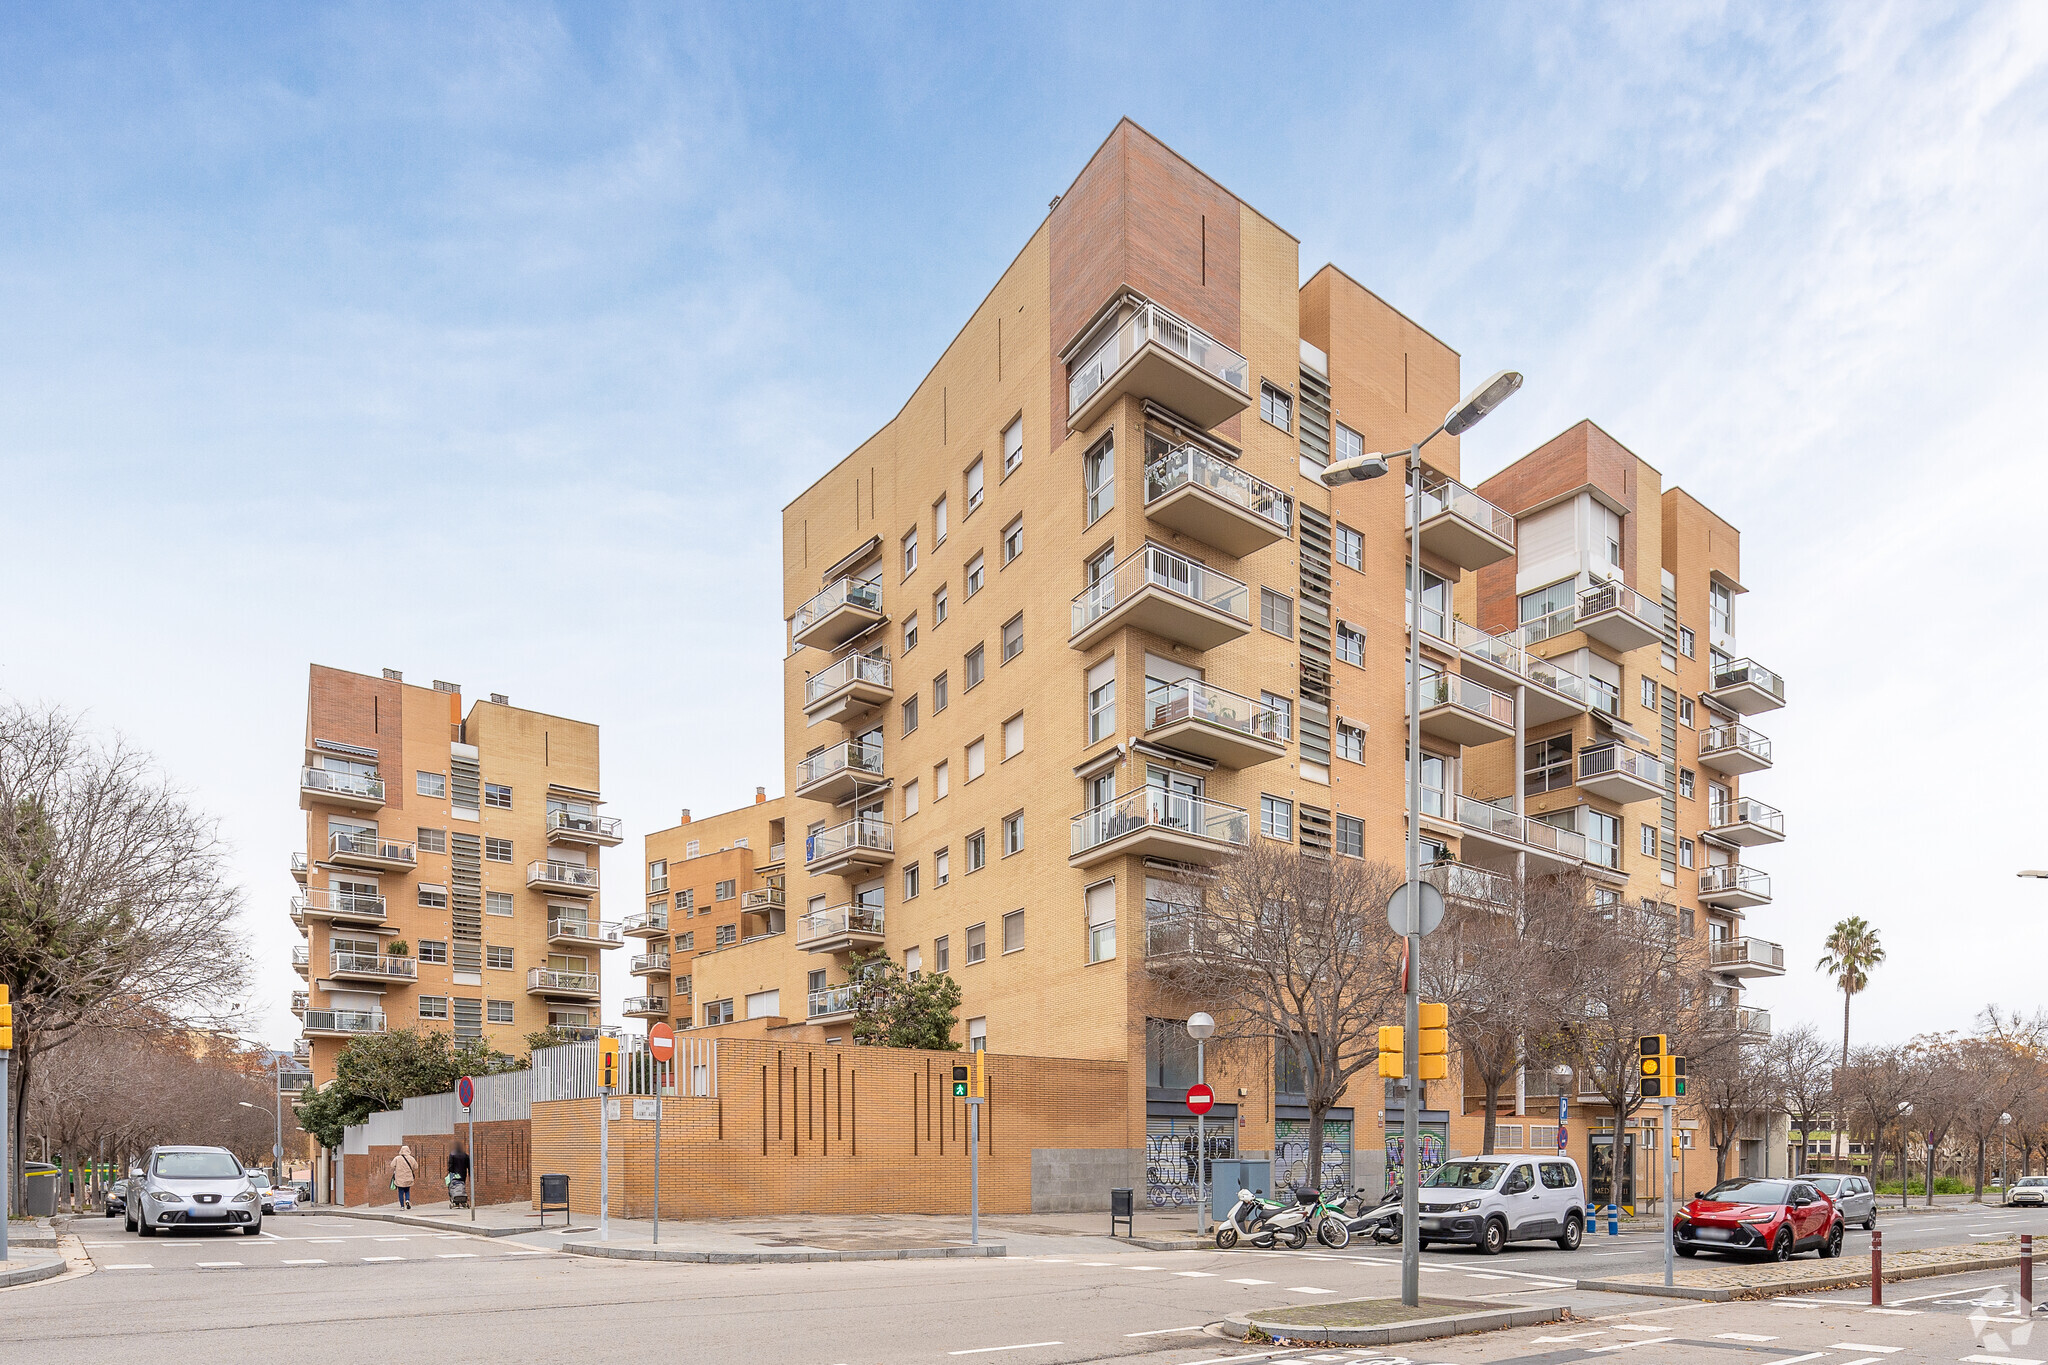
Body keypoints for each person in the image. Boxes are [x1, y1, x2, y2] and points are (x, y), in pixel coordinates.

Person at [390, 1144, 419, 1210]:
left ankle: (402, 1206)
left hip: (399, 1178)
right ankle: (407, 1200)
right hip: (408, 1177)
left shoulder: (397, 1158)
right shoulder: (411, 1158)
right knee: (407, 1190)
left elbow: (392, 1165)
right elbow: (416, 1166)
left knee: (400, 1192)